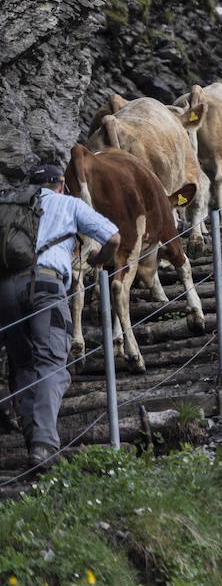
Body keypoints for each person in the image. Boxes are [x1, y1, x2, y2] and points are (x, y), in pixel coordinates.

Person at [0, 164, 118, 472]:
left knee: (23, 366)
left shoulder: (11, 205)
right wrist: (98, 259)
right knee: (51, 362)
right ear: (61, 184)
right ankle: (43, 445)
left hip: (6, 291)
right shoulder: (69, 204)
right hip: (46, 286)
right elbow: (114, 239)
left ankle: (34, 443)